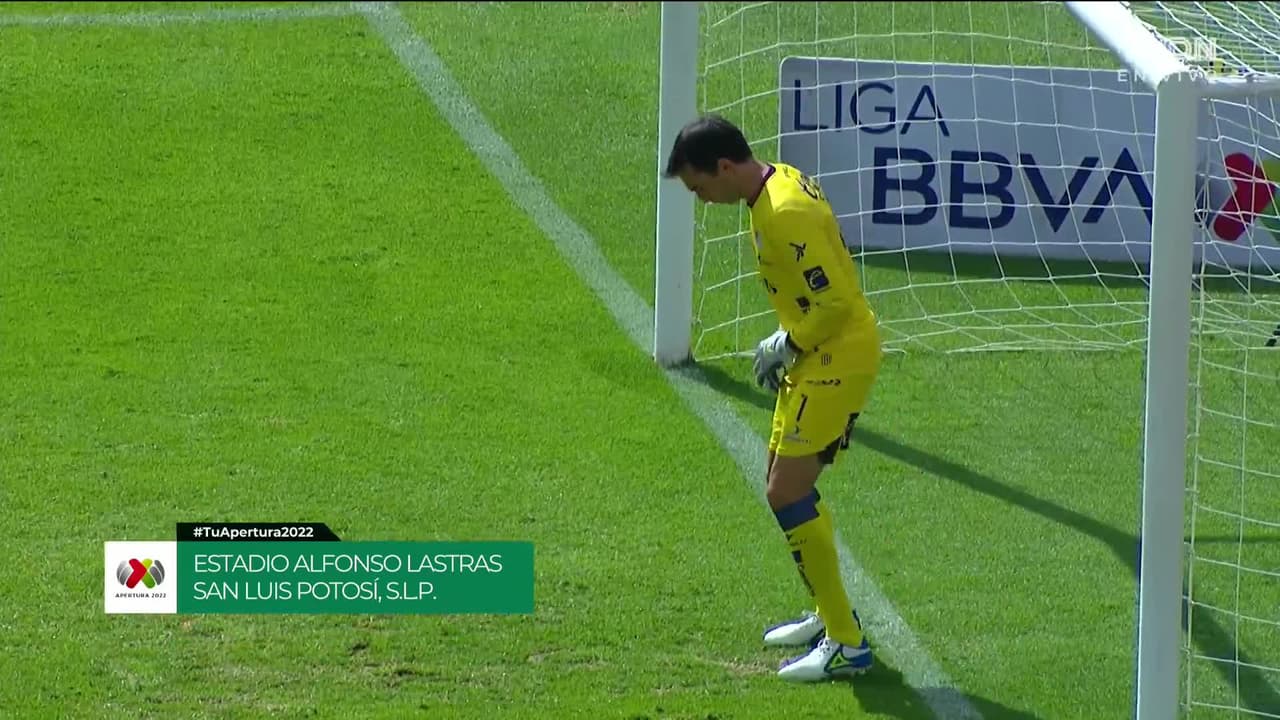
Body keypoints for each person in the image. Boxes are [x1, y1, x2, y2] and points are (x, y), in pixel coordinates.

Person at [663, 114, 883, 682]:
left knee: (787, 490)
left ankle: (848, 644)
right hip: (816, 355)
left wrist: (788, 341)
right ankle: (830, 613)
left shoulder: (783, 212)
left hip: (836, 356)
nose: (703, 198)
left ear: (725, 167)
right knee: (781, 484)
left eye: (700, 186)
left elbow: (833, 302)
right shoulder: (772, 187)